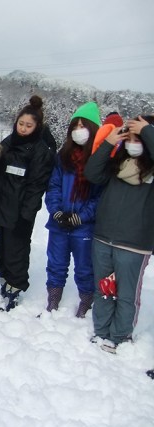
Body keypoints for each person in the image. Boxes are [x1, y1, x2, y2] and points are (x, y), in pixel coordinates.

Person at [84, 114, 154, 354]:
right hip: (104, 237)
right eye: (130, 137)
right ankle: (101, 332)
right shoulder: (117, 166)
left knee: (126, 294)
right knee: (103, 290)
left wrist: (147, 130)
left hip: (134, 244)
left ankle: (121, 337)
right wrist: (108, 143)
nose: (133, 142)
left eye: (139, 138)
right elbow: (92, 173)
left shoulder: (151, 171)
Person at [0, 95, 55, 311]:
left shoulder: (40, 151)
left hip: (20, 211)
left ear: (37, 127)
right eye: (21, 124)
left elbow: (36, 185)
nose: (23, 128)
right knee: (1, 250)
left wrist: (27, 214)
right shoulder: (9, 141)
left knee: (16, 251)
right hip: (1, 206)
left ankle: (14, 290)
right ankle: (4, 281)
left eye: (29, 125)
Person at [44, 102, 102, 316]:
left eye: (83, 125)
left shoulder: (99, 160)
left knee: (85, 267)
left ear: (93, 128)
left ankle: (86, 300)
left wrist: (82, 216)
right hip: (59, 223)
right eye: (75, 126)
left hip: (83, 227)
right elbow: (54, 186)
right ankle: (53, 300)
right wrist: (56, 211)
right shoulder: (63, 156)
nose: (78, 131)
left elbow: (99, 197)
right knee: (56, 263)